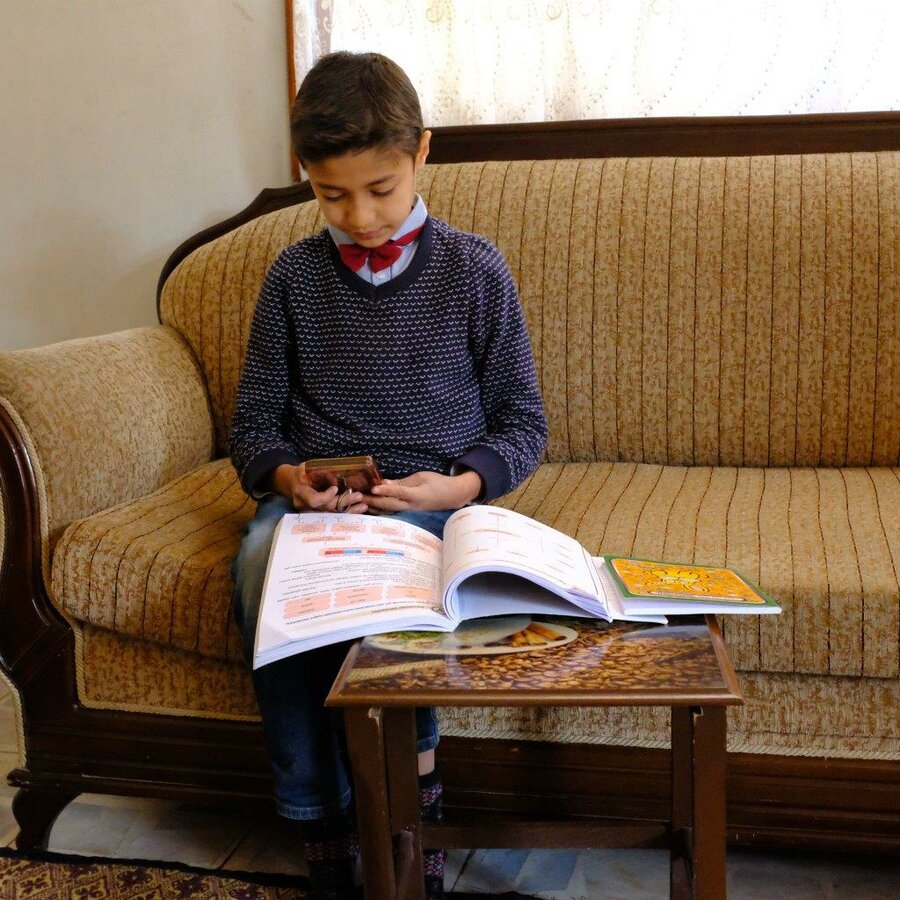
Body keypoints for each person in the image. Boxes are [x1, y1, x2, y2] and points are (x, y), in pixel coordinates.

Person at [229, 50, 548, 900]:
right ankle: (319, 823)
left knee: (393, 593)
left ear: (422, 155)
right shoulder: (292, 278)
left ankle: (412, 821)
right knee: (264, 568)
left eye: (381, 189)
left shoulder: (475, 270)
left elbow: (523, 424)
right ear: (307, 179)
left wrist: (461, 486)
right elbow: (253, 424)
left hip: (427, 504)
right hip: (315, 509)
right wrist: (288, 477)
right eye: (332, 195)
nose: (361, 216)